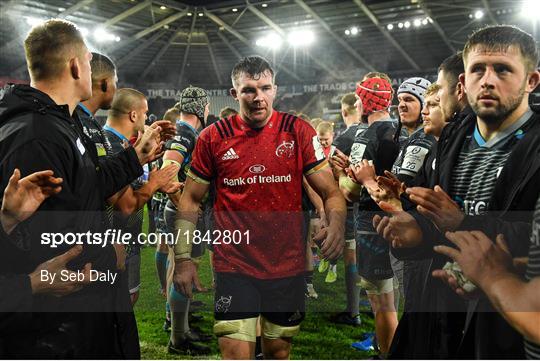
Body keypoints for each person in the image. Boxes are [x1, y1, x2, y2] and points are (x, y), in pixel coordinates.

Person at [0, 19, 172, 357]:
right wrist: (110, 255)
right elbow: (47, 243)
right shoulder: (36, 135)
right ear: (77, 66)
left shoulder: (62, 121)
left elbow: (85, 187)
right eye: (88, 60)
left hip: (83, 312)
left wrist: (136, 157)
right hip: (60, 329)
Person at [374, 25, 540, 358]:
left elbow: (533, 241)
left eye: (503, 70)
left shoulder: (535, 147)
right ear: (464, 80)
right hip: (439, 316)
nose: (488, 80)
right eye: (478, 69)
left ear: (531, 81)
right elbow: (437, 220)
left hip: (505, 328)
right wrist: (415, 232)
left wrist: (463, 224)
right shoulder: (452, 139)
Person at [173, 55, 346, 359]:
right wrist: (184, 257)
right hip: (234, 265)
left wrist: (336, 223)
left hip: (287, 265)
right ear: (234, 93)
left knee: (278, 353)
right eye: (249, 90)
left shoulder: (298, 131)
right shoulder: (213, 138)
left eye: (265, 88)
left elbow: (330, 191)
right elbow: (190, 199)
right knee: (235, 352)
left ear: (275, 90)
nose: (258, 98)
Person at [336, 76, 406, 357]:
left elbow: (351, 192)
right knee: (394, 295)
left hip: (371, 225)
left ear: (363, 101)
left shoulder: (364, 136)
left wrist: (341, 172)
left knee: (381, 304)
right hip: (402, 222)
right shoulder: (405, 131)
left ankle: (386, 353)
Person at [103, 88, 179, 305]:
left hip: (125, 238)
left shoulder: (118, 142)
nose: (147, 118)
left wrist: (154, 184)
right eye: (145, 113)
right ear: (133, 115)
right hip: (118, 242)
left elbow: (123, 187)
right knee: (124, 302)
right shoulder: (114, 146)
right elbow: (124, 206)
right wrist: (155, 182)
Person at [161, 86, 212, 355]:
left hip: (177, 211)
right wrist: (185, 205)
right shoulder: (185, 132)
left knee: (175, 268)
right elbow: (167, 173)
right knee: (183, 271)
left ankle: (177, 324)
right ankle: (179, 338)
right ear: (202, 109)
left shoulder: (182, 130)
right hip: (181, 214)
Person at [329, 92, 366, 326]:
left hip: (352, 206)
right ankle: (369, 302)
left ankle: (353, 312)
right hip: (376, 206)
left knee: (351, 255)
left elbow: (332, 177)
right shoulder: (375, 133)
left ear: (344, 112)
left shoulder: (343, 140)